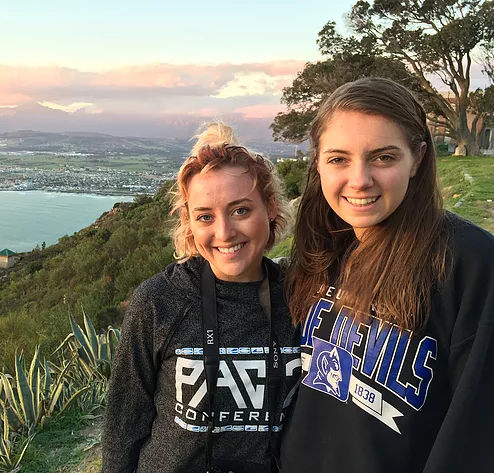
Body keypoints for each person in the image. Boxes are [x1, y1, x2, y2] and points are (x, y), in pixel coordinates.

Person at [279, 77, 494, 473]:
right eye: (338, 159)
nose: (359, 180)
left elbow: (475, 435)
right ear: (319, 164)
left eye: (383, 157)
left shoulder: (469, 263)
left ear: (418, 159)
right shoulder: (325, 249)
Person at [102, 123, 301, 473]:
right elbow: (124, 424)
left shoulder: (299, 297)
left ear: (270, 208)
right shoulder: (159, 300)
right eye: (205, 217)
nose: (224, 232)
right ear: (190, 224)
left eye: (240, 210)